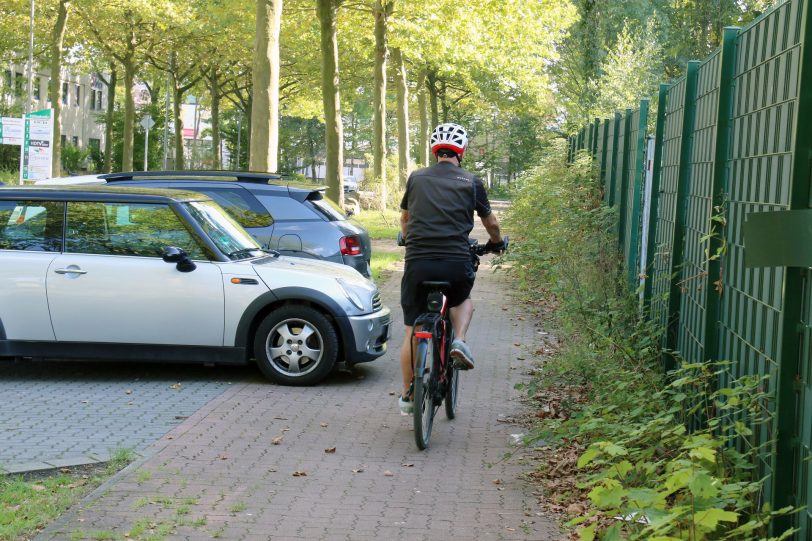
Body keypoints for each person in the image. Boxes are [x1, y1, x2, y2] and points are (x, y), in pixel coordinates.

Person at [398, 122, 505, 415]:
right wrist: (497, 243)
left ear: (435, 150)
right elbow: (491, 223)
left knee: (411, 328)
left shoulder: (416, 178)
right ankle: (458, 341)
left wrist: (408, 239)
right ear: (463, 151)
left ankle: (408, 395)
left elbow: (406, 219)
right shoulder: (471, 182)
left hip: (418, 263)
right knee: (462, 300)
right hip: (456, 263)